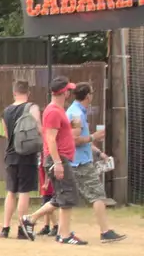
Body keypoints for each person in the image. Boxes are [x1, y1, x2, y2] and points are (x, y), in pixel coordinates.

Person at [68, 82, 125, 243]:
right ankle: (105, 232)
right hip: (80, 163)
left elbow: (82, 139)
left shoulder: (77, 112)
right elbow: (75, 140)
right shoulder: (76, 115)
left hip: (79, 161)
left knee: (62, 198)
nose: (92, 95)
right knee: (98, 195)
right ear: (88, 96)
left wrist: (99, 152)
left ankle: (31, 218)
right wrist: (95, 137)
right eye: (92, 93)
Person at [36, 76, 84, 245]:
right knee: (68, 196)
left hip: (60, 158)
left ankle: (33, 221)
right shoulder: (54, 111)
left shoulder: (57, 110)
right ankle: (64, 235)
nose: (70, 92)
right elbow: (50, 139)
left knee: (63, 196)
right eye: (68, 90)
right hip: (58, 159)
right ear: (64, 92)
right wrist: (57, 163)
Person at [1, 79, 39, 240]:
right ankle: (22, 228)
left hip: (10, 155)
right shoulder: (32, 107)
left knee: (11, 192)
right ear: (28, 93)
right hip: (26, 154)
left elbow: (6, 134)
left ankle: (5, 228)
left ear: (14, 93)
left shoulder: (6, 111)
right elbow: (38, 128)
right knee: (24, 192)